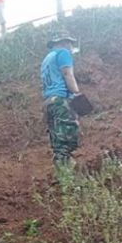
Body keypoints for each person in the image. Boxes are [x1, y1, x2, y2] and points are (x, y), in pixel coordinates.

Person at [40, 31, 81, 166]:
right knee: (68, 137)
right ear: (62, 42)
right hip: (60, 100)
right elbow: (67, 74)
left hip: (49, 102)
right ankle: (66, 171)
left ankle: (62, 173)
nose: (70, 46)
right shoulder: (63, 53)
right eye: (69, 43)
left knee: (57, 141)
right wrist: (76, 93)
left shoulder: (47, 59)